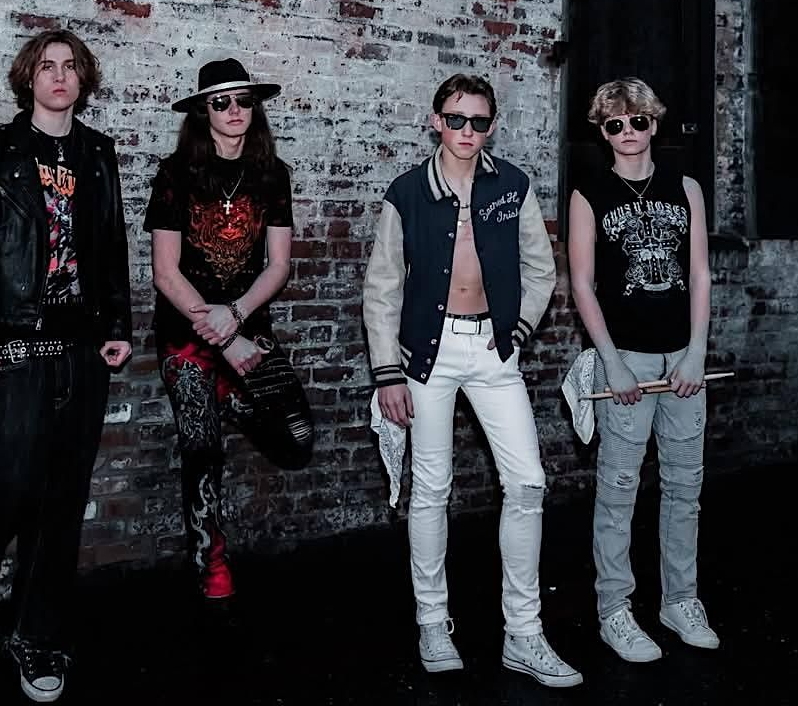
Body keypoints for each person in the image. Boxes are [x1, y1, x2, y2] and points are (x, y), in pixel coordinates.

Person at [362, 73, 581, 688]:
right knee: (431, 489)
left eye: (479, 122)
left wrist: (518, 330)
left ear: (491, 127)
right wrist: (387, 372)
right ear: (437, 121)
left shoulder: (512, 184)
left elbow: (541, 267)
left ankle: (524, 634)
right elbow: (382, 287)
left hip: (492, 350)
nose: (466, 131)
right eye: (456, 119)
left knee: (528, 482)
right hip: (426, 355)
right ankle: (433, 623)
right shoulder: (407, 192)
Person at [0, 29, 132, 702]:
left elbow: (112, 245)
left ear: (82, 80)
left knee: (65, 497)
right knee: (12, 483)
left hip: (81, 350)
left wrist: (117, 327)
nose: (59, 76)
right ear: (29, 78)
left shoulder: (98, 155)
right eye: (47, 66)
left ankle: (39, 633)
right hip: (16, 345)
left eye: (70, 66)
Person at [145, 57, 314, 602]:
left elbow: (278, 265)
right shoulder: (175, 175)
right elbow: (165, 272)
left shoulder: (272, 174)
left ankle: (231, 396)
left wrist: (237, 317)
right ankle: (210, 560)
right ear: (203, 111)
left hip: (246, 323)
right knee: (202, 448)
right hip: (187, 329)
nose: (235, 110)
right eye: (221, 102)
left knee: (296, 441)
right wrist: (221, 334)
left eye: (244, 100)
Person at [567, 77, 719, 662]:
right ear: (603, 132)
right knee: (618, 488)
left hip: (682, 357)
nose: (628, 132)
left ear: (653, 123)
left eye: (638, 121)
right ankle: (615, 610)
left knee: (685, 487)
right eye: (615, 124)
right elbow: (582, 284)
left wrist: (697, 351)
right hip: (626, 358)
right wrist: (611, 363)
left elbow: (700, 273)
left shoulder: (685, 187)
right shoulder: (589, 193)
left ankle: (680, 600)